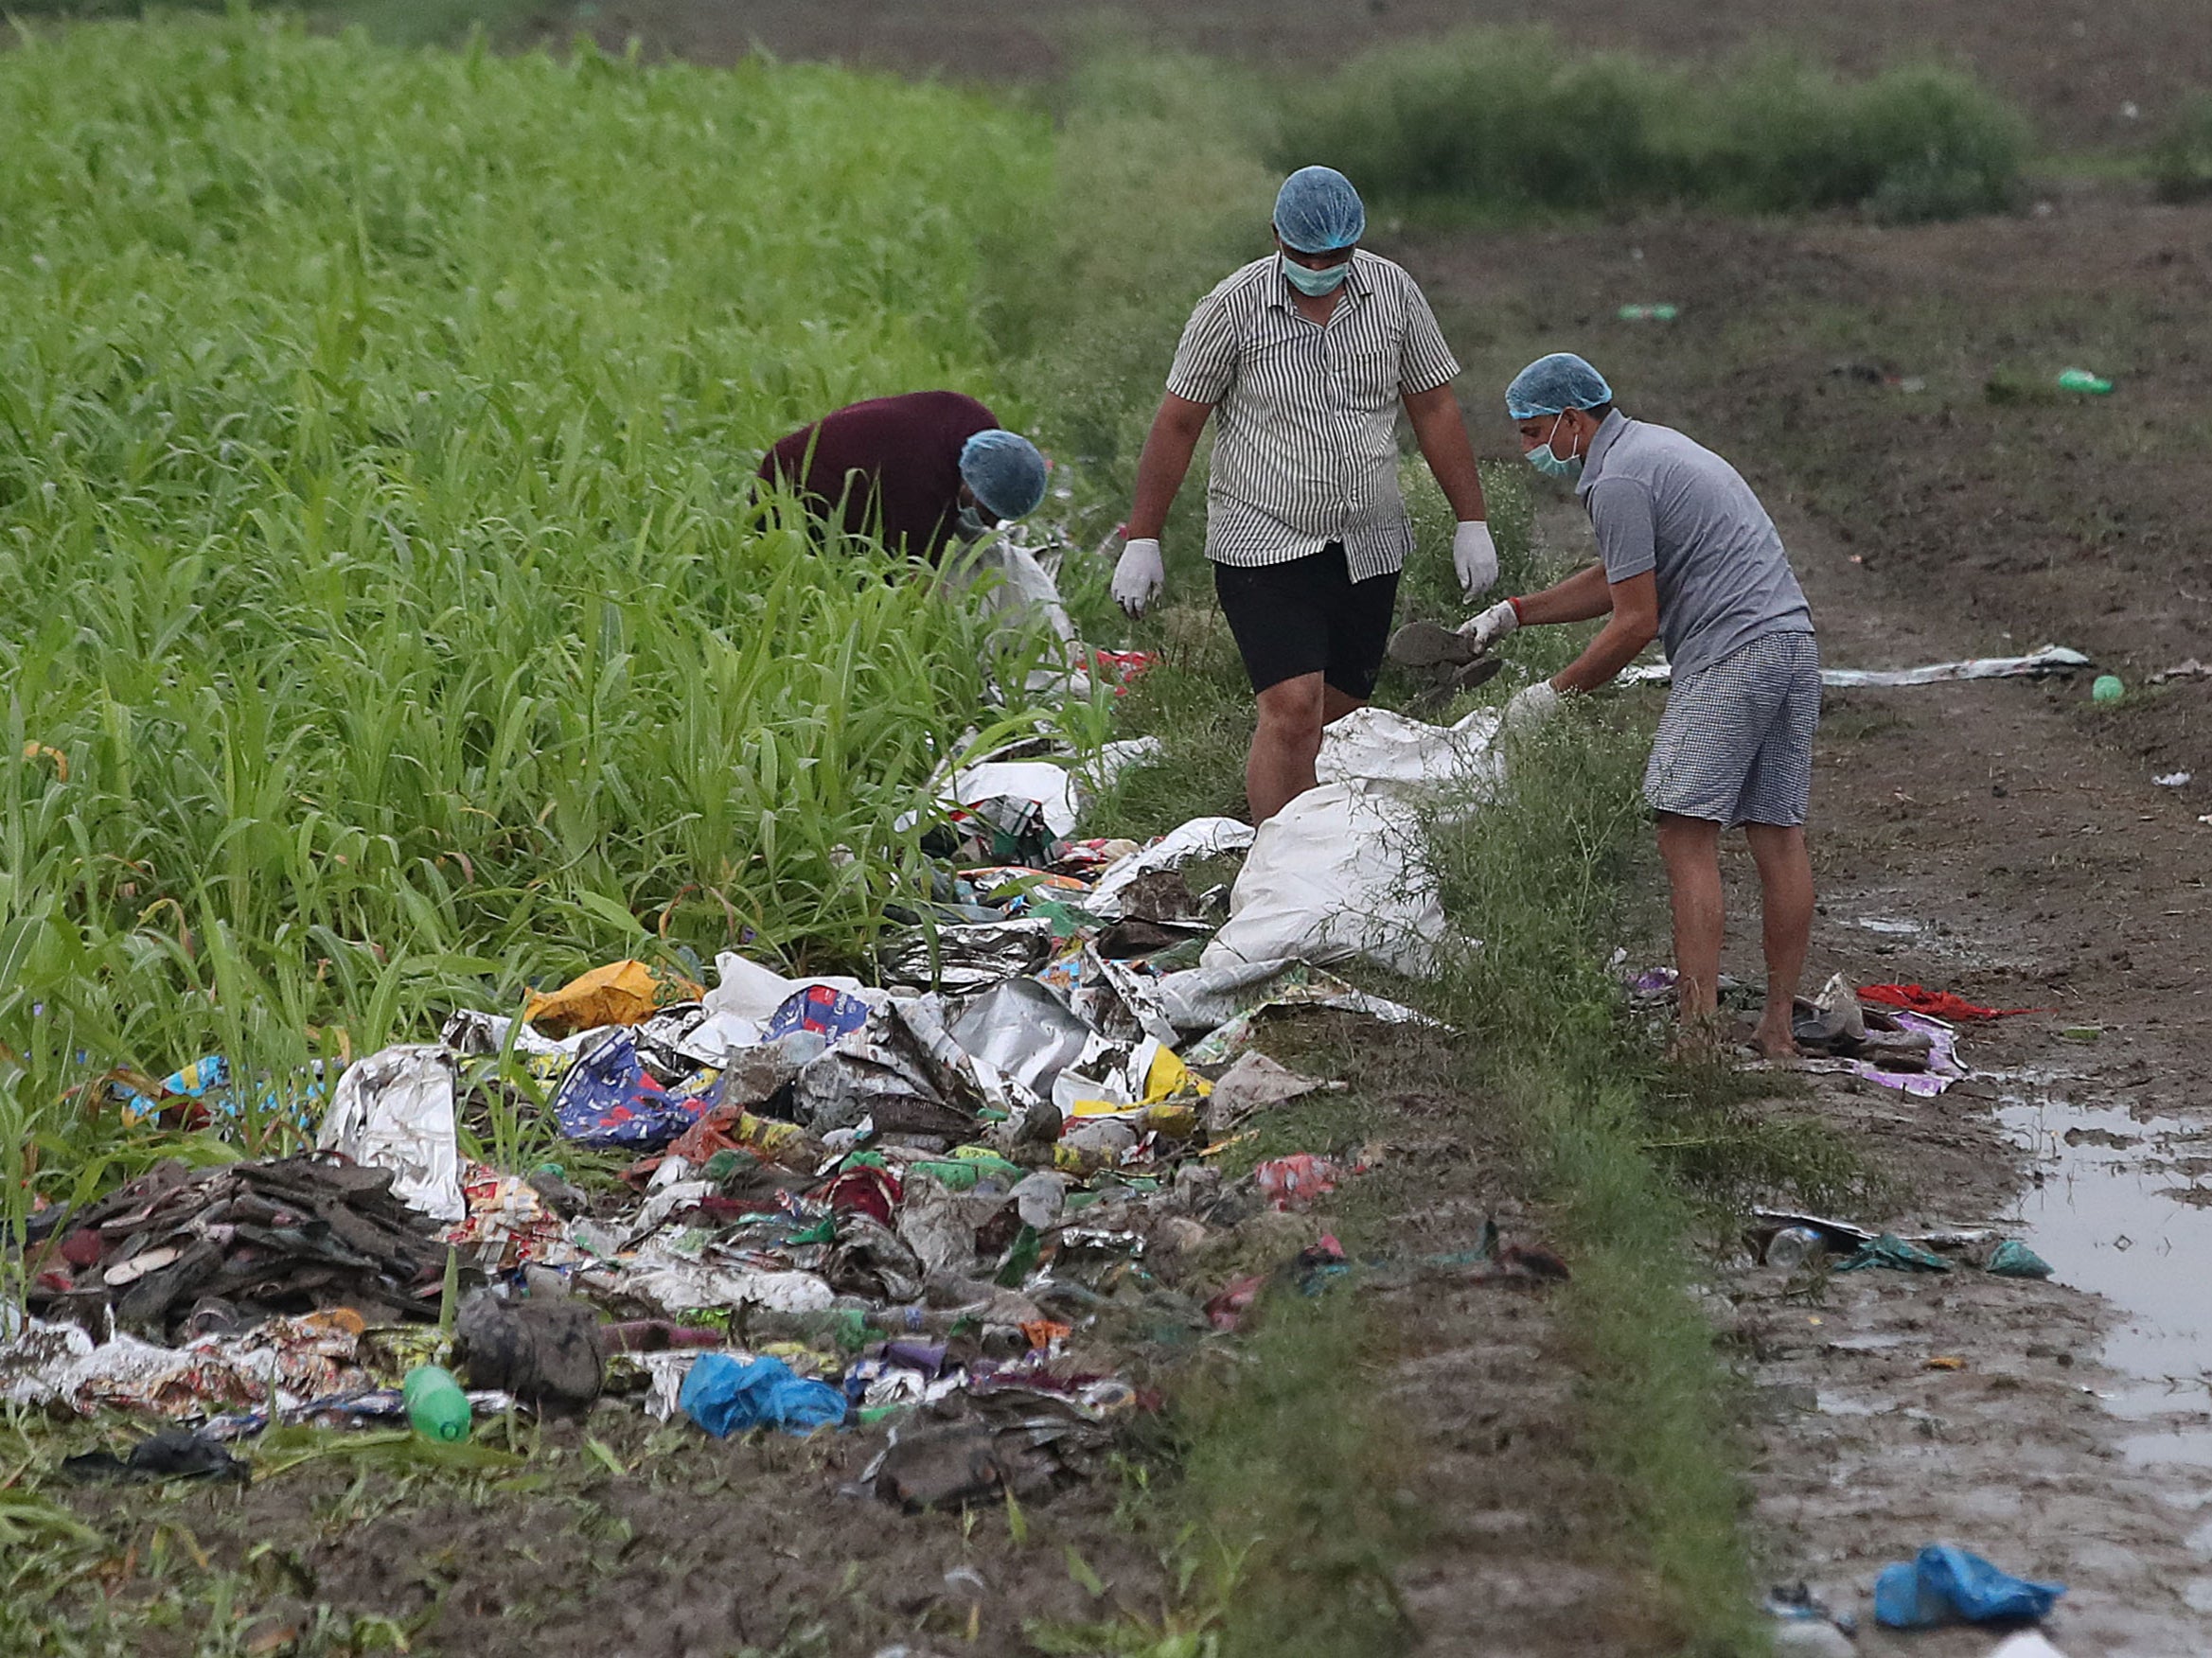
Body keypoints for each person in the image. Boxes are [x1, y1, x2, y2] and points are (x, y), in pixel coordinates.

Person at [1111, 166, 1496, 822]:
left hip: (1367, 541)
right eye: (1303, 255)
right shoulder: (1231, 308)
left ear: (1357, 242)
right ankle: (1273, 859)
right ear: (1275, 239)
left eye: (1335, 256)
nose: (1319, 266)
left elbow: (1433, 407)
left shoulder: (1393, 294)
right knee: (1290, 708)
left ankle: (1313, 847)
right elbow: (1179, 421)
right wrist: (1142, 535)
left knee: (1335, 713)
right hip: (1261, 536)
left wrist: (1472, 520)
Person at [1470, 352, 1818, 1058]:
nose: (1531, 450)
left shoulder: (1617, 477)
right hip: (1790, 644)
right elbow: (1620, 573)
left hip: (1733, 655)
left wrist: (1551, 695)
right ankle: (1776, 1027)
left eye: (1534, 433)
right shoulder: (1653, 448)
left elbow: (1633, 619)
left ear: (1574, 418)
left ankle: (1695, 1039)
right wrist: (1513, 614)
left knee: (1683, 832)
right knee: (1774, 835)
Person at [757, 391, 1048, 562]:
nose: (990, 524)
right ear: (969, 482)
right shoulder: (918, 484)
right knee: (857, 573)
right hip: (791, 484)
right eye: (986, 512)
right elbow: (917, 573)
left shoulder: (980, 430)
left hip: (863, 465)